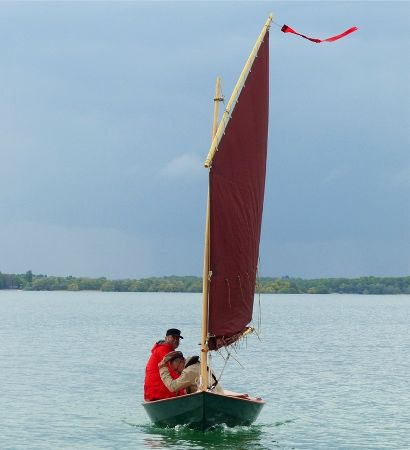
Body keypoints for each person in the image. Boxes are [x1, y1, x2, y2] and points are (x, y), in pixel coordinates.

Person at [144, 328, 185, 401]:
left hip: (157, 394)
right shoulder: (163, 350)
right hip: (159, 395)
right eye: (173, 337)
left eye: (178, 338)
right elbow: (174, 373)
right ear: (166, 338)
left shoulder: (168, 351)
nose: (176, 340)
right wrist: (186, 392)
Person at [158, 351, 224, 395]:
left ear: (181, 361)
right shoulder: (197, 364)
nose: (177, 372)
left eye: (176, 369)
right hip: (218, 393)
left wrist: (162, 369)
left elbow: (172, 387)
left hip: (210, 397)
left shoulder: (189, 371)